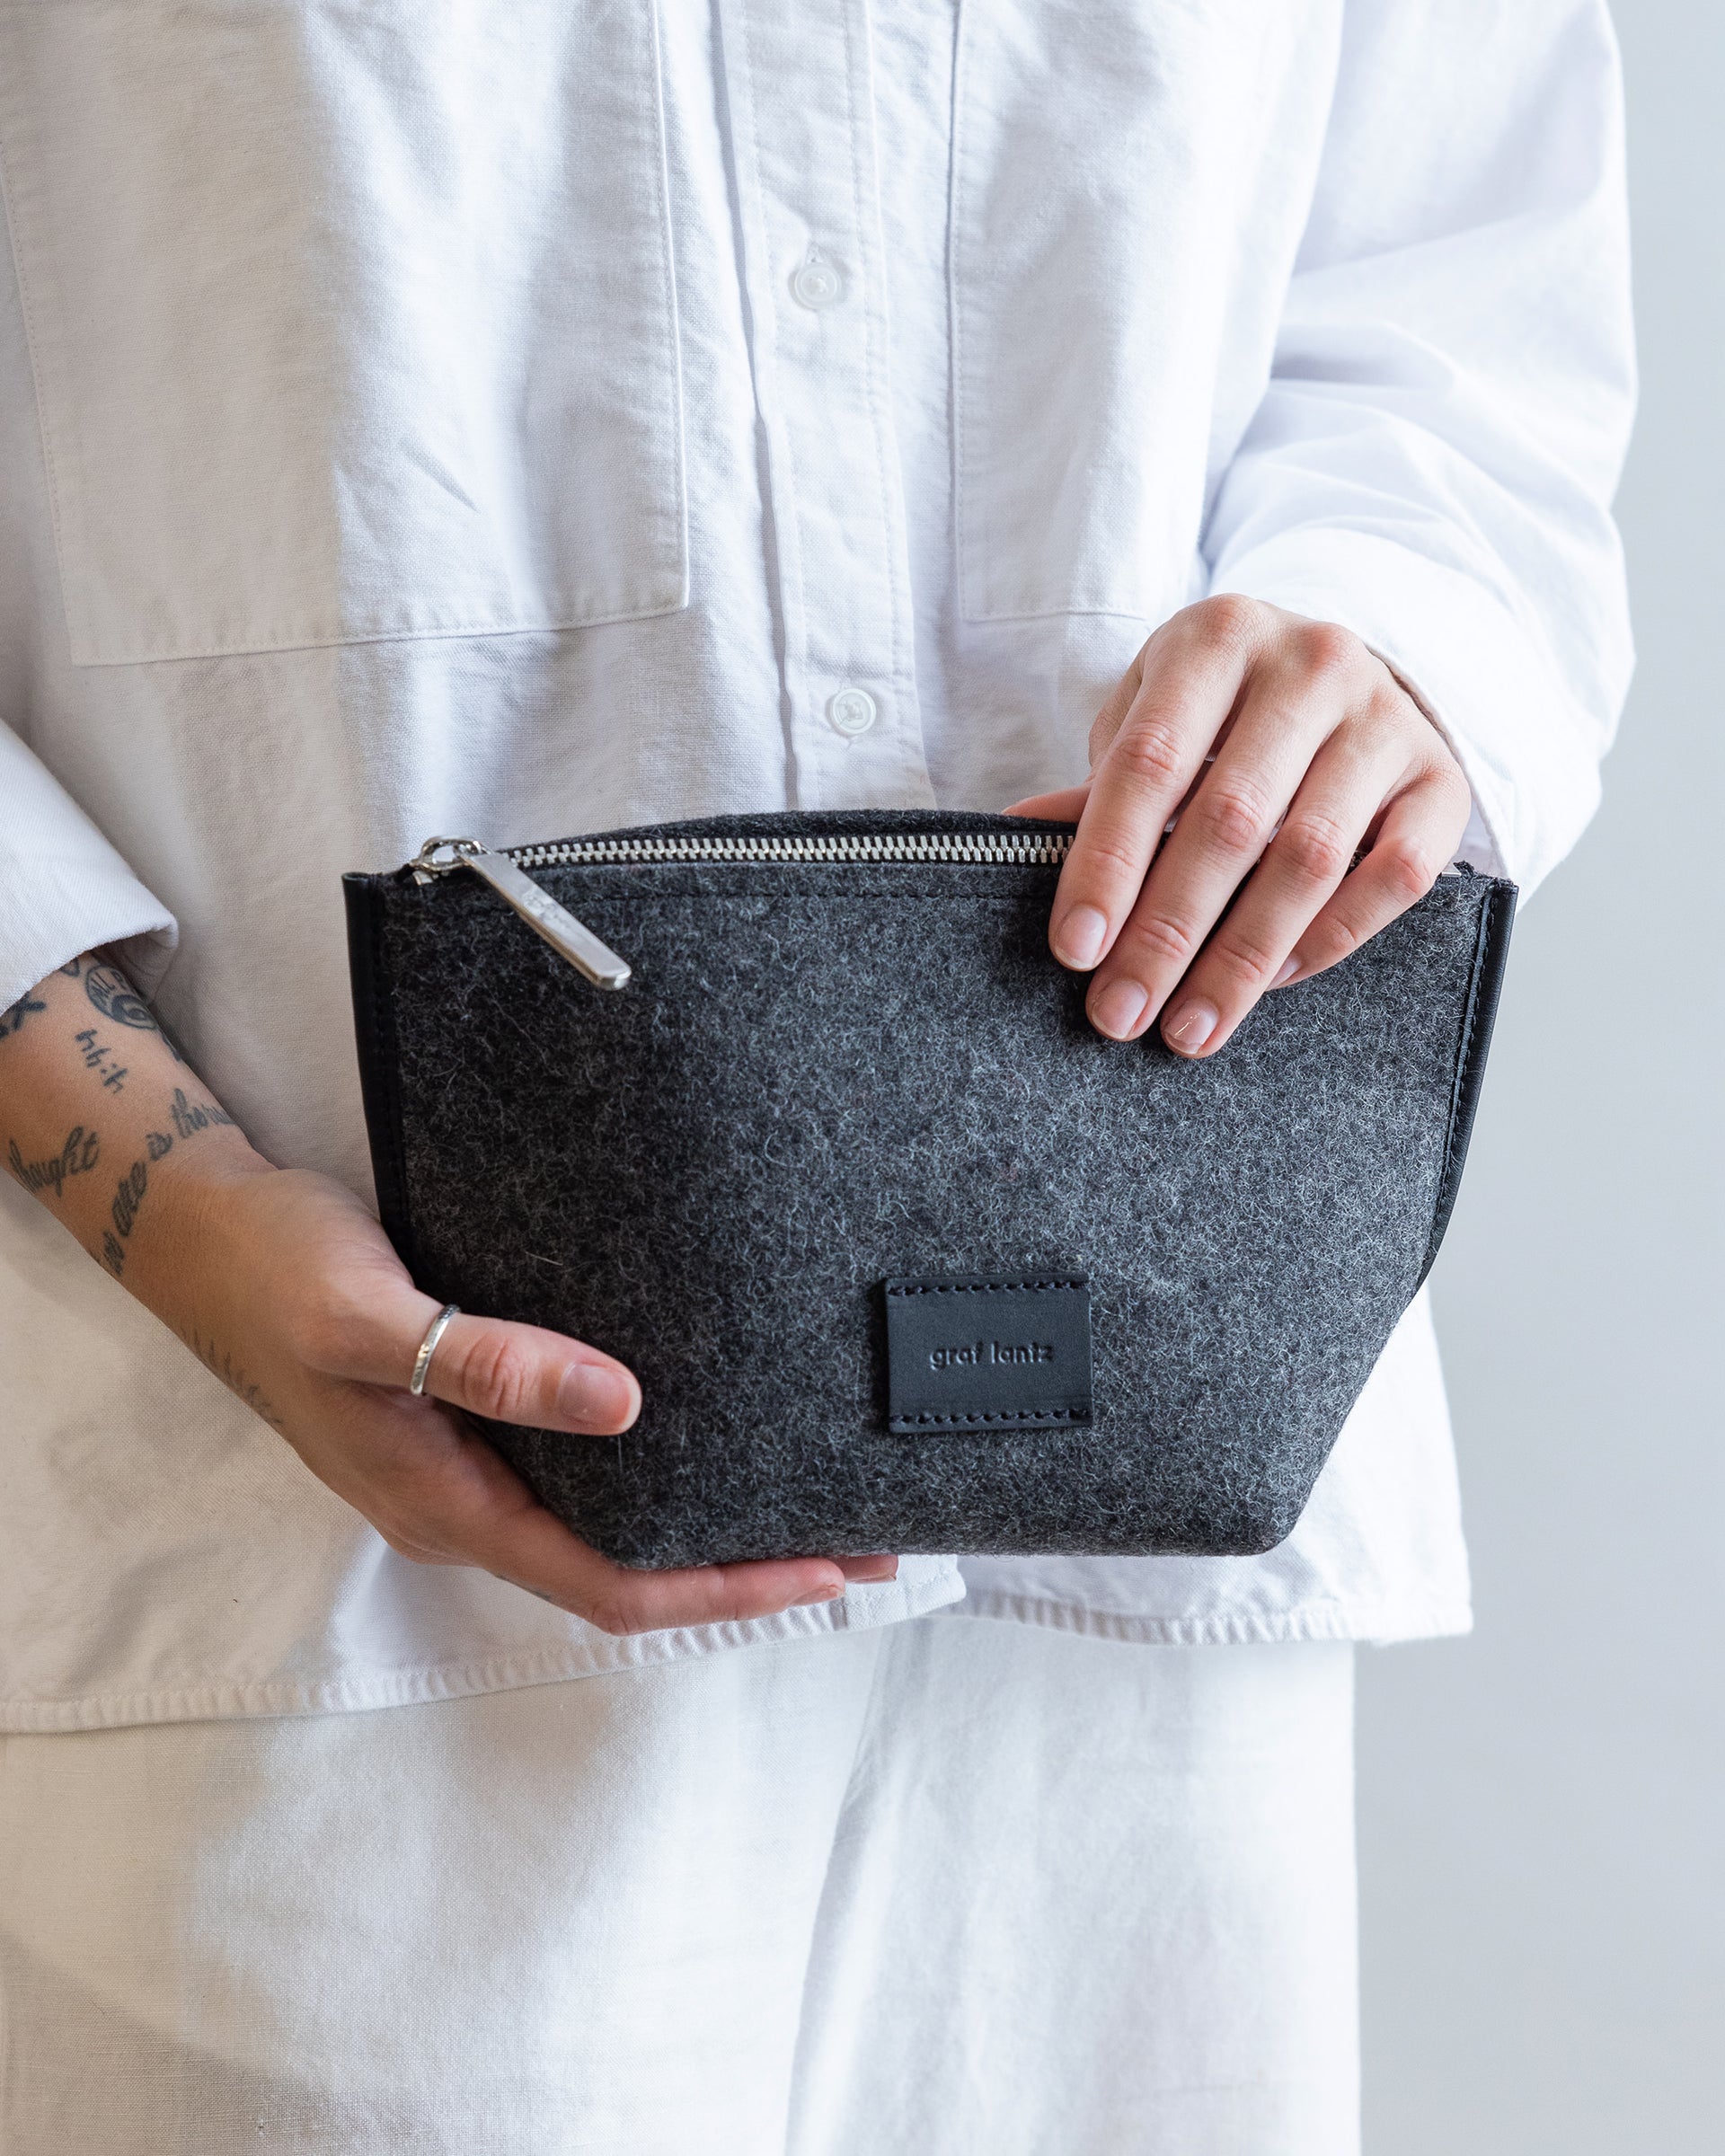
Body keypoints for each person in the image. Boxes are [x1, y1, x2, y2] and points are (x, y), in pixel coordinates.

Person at [0, 2, 1632, 2149]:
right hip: (297, 1567)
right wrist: (165, 1183)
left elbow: (1457, 291)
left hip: (1163, 1569)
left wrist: (1395, 640)